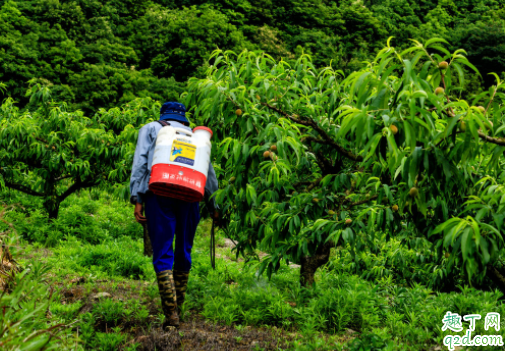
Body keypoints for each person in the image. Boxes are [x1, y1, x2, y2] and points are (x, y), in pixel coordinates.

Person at [129, 101, 219, 329]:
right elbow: (208, 173)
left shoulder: (151, 128)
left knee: (162, 252)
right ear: (184, 118)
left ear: (163, 114)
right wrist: (214, 205)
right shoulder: (197, 137)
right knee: (183, 251)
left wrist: (137, 198)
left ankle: (171, 316)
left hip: (158, 193)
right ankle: (178, 307)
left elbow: (140, 164)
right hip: (191, 196)